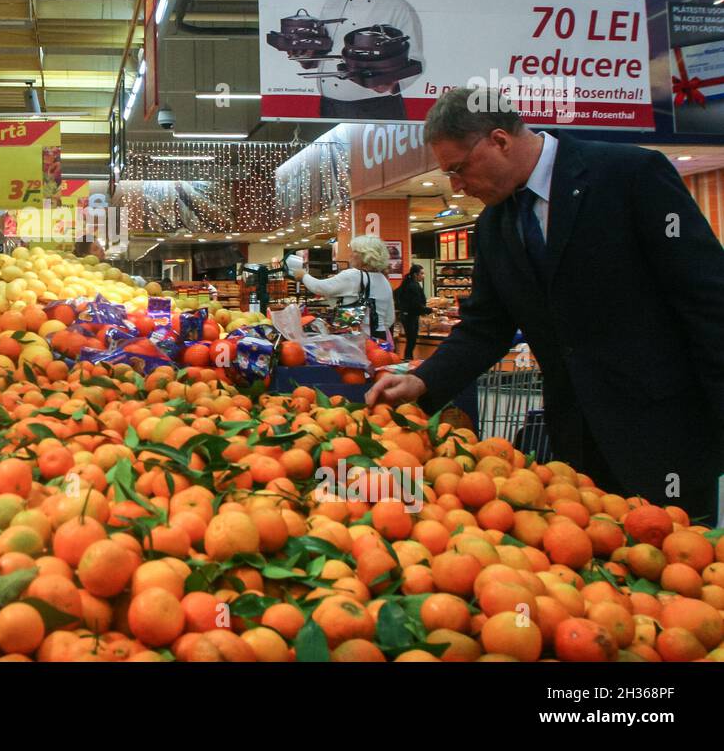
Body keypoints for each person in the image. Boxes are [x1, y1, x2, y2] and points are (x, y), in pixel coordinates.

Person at [368, 87, 724, 521]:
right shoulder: (494, 226)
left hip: (664, 432)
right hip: (575, 441)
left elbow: (706, 299)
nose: (457, 186)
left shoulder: (628, 174)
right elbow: (485, 327)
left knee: (683, 571)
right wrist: (423, 382)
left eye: (459, 169)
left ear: (499, 140)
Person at [284, 0, 423, 121]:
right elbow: (324, 51)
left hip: (378, 108)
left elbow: (416, 60)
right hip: (329, 106)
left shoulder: (399, 8)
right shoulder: (333, 2)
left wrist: (391, 84)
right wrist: (306, 58)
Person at [291, 234, 395, 338]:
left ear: (366, 256)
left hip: (357, 338)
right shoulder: (383, 280)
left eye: (355, 251)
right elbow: (390, 318)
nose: (351, 254)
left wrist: (303, 276)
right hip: (379, 336)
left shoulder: (355, 275)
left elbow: (320, 288)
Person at [392, 264, 432, 361]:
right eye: (422, 274)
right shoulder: (413, 286)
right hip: (410, 316)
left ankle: (408, 358)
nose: (423, 276)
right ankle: (408, 359)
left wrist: (401, 306)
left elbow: (396, 294)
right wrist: (429, 310)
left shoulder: (408, 283)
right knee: (411, 340)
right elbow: (416, 304)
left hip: (407, 315)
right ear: (415, 274)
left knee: (411, 339)